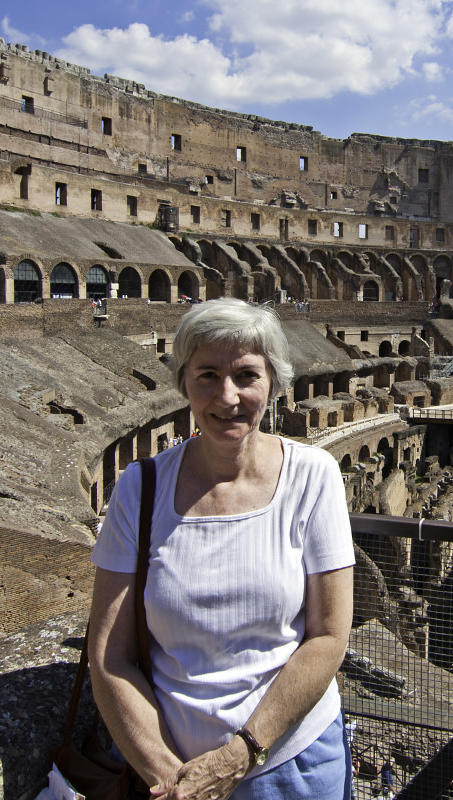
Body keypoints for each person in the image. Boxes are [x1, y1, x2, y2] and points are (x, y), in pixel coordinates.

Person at [88, 298, 356, 800]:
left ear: (273, 383)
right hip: (169, 774)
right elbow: (109, 655)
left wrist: (240, 755)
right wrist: (168, 776)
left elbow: (328, 637)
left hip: (292, 762)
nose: (227, 396)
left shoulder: (314, 476)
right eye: (207, 374)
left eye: (247, 375)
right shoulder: (138, 488)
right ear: (183, 382)